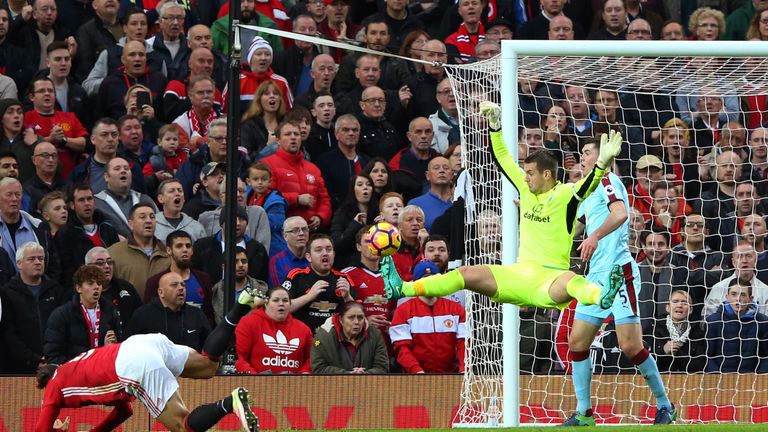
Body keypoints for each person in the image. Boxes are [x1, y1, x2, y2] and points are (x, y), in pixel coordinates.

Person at [380, 102, 624, 322]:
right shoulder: (525, 189)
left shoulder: (566, 195)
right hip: (517, 275)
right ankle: (404, 288)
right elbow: (502, 158)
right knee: (464, 273)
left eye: (530, 173)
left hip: (549, 280)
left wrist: (602, 163)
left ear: (546, 174)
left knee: (572, 281)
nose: (524, 177)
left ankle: (601, 296)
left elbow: (590, 182)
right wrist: (494, 127)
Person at [34, 282, 265, 432]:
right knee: (207, 365)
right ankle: (240, 305)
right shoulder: (76, 364)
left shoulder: (55, 386)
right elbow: (125, 411)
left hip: (131, 365)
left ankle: (229, 403)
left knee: (184, 426)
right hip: (143, 344)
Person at [561, 141, 675, 426]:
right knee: (577, 342)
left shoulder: (609, 180)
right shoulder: (586, 191)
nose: (582, 157)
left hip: (618, 274)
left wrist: (595, 235)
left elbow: (621, 214)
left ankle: (665, 405)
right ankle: (585, 413)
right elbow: (573, 228)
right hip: (596, 277)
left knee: (630, 347)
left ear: (604, 156)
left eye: (587, 152)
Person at [0, 241, 67, 373]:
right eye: (31, 259)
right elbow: (9, 334)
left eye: (41, 258)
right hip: (19, 368)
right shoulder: (7, 293)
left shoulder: (56, 290)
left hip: (54, 364)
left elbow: (64, 327)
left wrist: (53, 358)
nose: (38, 262)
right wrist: (34, 360)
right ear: (19, 264)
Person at [390, 261, 466, 373]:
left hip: (450, 376)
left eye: (433, 278)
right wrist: (417, 371)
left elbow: (463, 343)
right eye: (425, 278)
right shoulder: (403, 311)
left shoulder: (456, 309)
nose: (429, 282)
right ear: (416, 283)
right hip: (415, 378)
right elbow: (402, 348)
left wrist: (463, 369)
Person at [43, 265, 119, 365]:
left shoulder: (110, 311)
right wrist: (80, 366)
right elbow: (53, 355)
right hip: (74, 374)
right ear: (79, 288)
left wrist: (111, 349)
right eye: (90, 283)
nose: (96, 287)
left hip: (102, 370)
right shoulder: (62, 315)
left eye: (99, 283)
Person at [235, 286, 313, 374]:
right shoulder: (248, 323)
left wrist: (302, 377)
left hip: (294, 385)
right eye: (276, 300)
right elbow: (240, 358)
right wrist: (256, 379)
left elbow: (311, 360)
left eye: (285, 300)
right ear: (266, 303)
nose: (281, 304)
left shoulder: (304, 329)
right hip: (257, 385)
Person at [286, 234, 355, 333]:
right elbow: (283, 308)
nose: (325, 253)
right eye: (318, 250)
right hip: (302, 337)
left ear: (334, 254)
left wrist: (347, 297)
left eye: (329, 249)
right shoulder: (296, 276)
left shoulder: (344, 278)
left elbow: (358, 314)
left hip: (335, 340)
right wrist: (309, 296)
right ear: (308, 257)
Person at [126, 272, 211, 351]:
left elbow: (209, 347)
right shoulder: (143, 315)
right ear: (161, 292)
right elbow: (129, 347)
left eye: (183, 285)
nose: (181, 288)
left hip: (191, 365)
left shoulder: (196, 314)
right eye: (174, 285)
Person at [705, 280, 768, 373]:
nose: (738, 299)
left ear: (750, 298)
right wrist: (718, 378)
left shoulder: (763, 322)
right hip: (720, 380)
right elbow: (708, 356)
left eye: (742, 295)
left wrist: (759, 377)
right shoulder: (713, 321)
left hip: (753, 380)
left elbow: (766, 356)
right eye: (734, 294)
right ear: (727, 297)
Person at [310, 300, 389, 374]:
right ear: (341, 320)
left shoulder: (375, 335)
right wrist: (347, 374)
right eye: (351, 317)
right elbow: (319, 368)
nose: (356, 322)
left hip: (367, 385)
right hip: (334, 386)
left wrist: (364, 374)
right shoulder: (324, 337)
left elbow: (382, 367)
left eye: (360, 317)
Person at [646, 290, 707, 373]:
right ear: (667, 307)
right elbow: (646, 364)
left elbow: (700, 365)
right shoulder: (654, 329)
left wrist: (678, 352)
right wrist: (663, 351)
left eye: (684, 302)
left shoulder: (697, 333)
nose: (679, 305)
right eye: (675, 301)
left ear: (691, 310)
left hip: (688, 380)